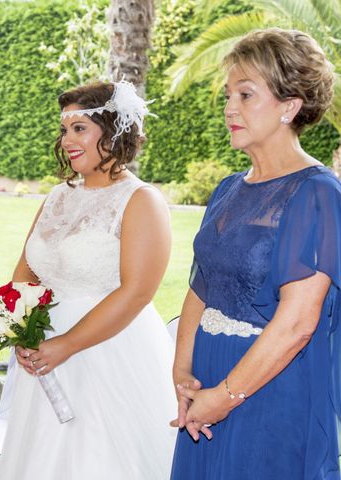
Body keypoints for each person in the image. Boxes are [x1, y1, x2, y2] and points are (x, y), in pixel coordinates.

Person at [170, 28, 340, 479]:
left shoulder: (318, 194)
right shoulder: (227, 189)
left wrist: (223, 399)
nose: (229, 108)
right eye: (228, 95)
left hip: (269, 388)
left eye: (246, 94)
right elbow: (200, 287)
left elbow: (299, 323)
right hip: (207, 378)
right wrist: (183, 372)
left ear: (290, 105)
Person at [0, 81, 177, 479]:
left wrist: (67, 344)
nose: (67, 140)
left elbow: (136, 292)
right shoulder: (57, 196)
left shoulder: (141, 200)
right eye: (65, 130)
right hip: (43, 355)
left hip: (108, 354)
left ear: (113, 131)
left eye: (80, 128)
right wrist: (19, 332)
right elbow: (26, 271)